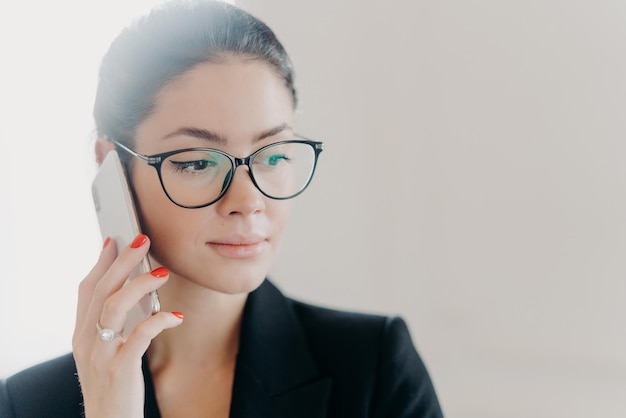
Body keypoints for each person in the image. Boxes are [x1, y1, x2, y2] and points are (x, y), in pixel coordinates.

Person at [0, 1, 443, 417]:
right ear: (109, 166)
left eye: (273, 155)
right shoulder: (28, 403)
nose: (248, 202)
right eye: (196, 162)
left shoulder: (373, 368)